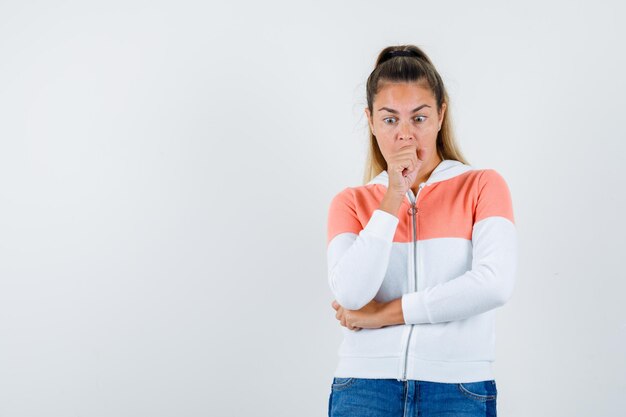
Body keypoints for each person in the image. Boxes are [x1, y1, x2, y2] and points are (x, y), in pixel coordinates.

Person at [325, 44, 517, 417]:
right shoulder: (350, 202)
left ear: (441, 115)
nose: (405, 135)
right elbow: (350, 294)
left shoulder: (482, 186)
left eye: (419, 118)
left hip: (457, 388)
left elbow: (494, 284)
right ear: (370, 120)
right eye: (390, 119)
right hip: (363, 388)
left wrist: (384, 314)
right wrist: (393, 196)